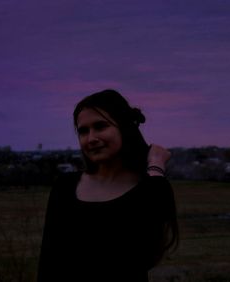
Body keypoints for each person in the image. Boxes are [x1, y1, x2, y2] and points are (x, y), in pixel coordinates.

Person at [37, 89, 179, 282]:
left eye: (100, 126)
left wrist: (155, 163)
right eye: (83, 131)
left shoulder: (146, 189)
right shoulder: (65, 186)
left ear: (124, 127)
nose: (91, 138)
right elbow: (48, 263)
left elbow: (146, 253)